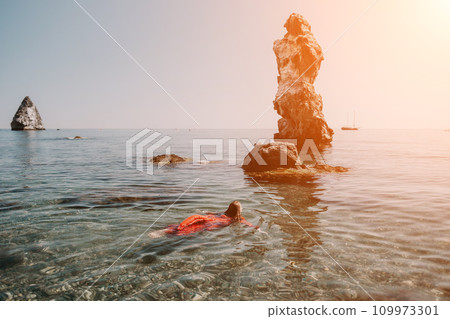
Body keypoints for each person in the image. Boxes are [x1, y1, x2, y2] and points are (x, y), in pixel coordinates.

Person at [148, 201, 257, 238]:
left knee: (192, 223)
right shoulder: (238, 219)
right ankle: (167, 231)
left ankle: (166, 230)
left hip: (210, 219)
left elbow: (211, 213)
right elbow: (250, 225)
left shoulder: (223, 213)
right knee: (190, 229)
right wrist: (259, 230)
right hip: (212, 223)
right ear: (238, 211)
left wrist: (203, 212)